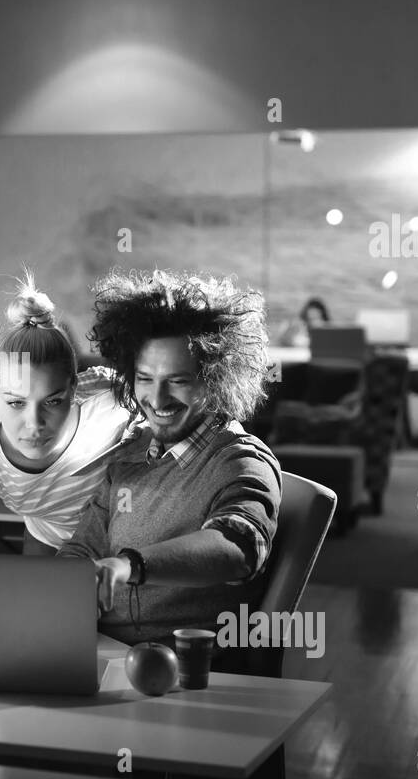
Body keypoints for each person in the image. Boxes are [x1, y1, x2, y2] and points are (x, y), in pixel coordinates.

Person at [57, 268, 282, 648]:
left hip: (178, 672)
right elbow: (83, 549)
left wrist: (131, 566)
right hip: (95, 651)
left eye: (177, 381)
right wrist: (44, 593)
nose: (157, 400)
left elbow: (239, 549)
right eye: (145, 378)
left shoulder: (240, 461)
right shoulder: (129, 454)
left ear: (215, 379)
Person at [0, 276, 140, 555]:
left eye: (53, 401)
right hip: (49, 539)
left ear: (73, 389)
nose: (34, 423)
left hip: (126, 539)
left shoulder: (110, 397)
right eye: (15, 403)